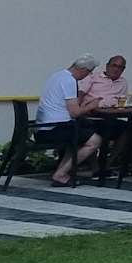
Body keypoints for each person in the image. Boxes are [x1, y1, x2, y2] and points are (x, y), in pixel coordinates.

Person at [39, 54, 104, 186]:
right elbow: (75, 113)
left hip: (44, 127)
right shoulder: (69, 81)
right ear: (84, 70)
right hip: (55, 128)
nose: (89, 75)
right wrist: (91, 106)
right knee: (95, 140)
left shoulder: (57, 76)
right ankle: (61, 174)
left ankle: (61, 173)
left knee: (82, 133)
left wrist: (84, 107)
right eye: (89, 72)